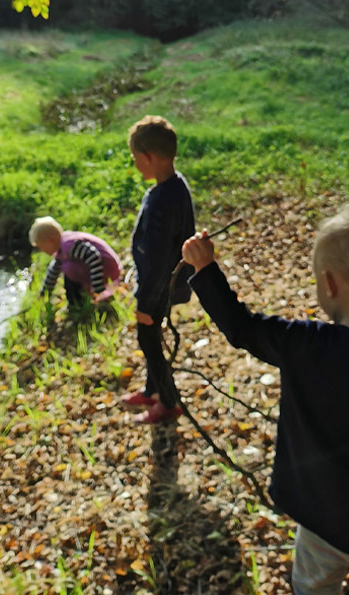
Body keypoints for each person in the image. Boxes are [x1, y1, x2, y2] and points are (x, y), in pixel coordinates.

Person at [182, 202, 349, 594]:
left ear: (329, 284)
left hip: (324, 523)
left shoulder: (305, 344)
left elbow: (242, 327)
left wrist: (205, 269)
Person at [121, 115, 196, 424]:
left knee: (149, 341)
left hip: (161, 288)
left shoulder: (166, 198)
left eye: (135, 158)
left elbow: (162, 259)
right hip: (159, 285)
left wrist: (145, 303)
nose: (135, 164)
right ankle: (153, 391)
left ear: (148, 157)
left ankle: (167, 402)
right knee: (150, 338)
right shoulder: (172, 186)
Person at [28, 216, 122, 306]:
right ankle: (75, 301)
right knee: (64, 266)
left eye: (42, 246)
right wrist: (44, 294)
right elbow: (53, 271)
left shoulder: (68, 246)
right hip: (105, 271)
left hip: (109, 270)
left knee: (69, 268)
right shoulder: (61, 248)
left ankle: (79, 301)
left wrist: (98, 290)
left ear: (51, 240)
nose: (42, 251)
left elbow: (93, 257)